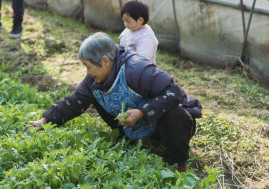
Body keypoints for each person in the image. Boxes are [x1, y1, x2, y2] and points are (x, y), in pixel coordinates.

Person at [27, 32, 202, 171]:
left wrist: (141, 112)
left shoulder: (137, 68)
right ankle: (130, 140)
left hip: (164, 124)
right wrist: (45, 120)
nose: (87, 72)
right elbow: (75, 101)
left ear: (104, 60)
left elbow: (173, 92)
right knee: (94, 94)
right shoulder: (95, 80)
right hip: (134, 124)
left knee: (177, 116)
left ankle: (175, 163)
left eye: (88, 66)